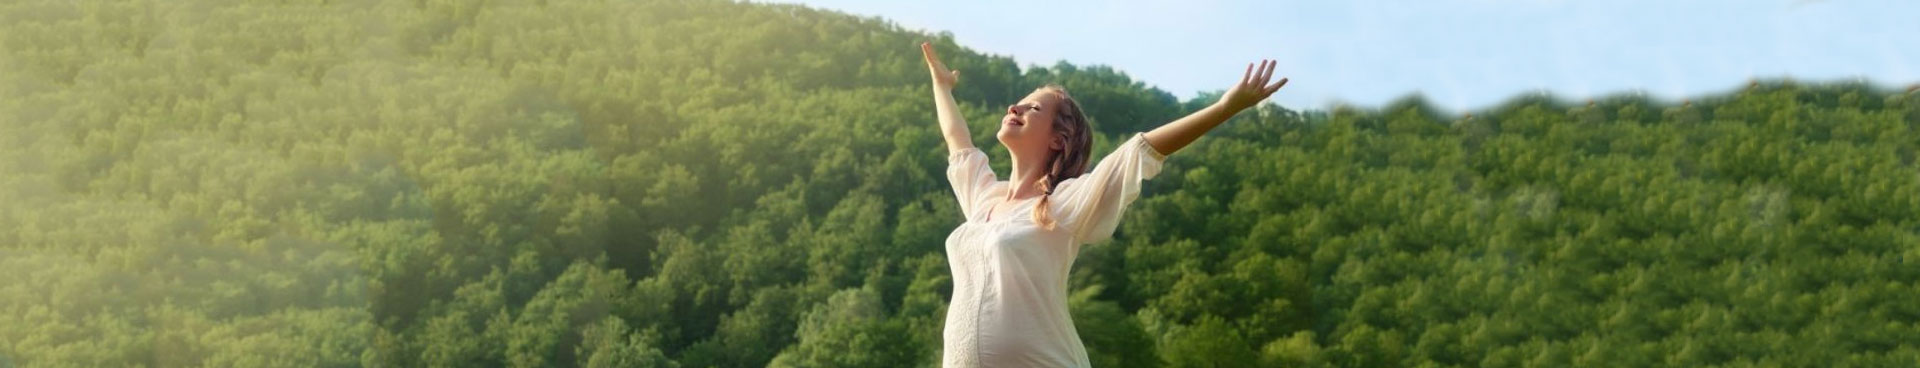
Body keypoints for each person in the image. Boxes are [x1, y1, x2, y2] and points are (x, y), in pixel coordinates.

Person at [922, 42, 1288, 367]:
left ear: (1058, 139)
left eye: (1033, 107)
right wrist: (942, 87)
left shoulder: (1064, 202)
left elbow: (1142, 148)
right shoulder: (984, 199)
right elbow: (959, 142)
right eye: (1019, 102)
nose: (1014, 106)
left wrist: (1225, 108)